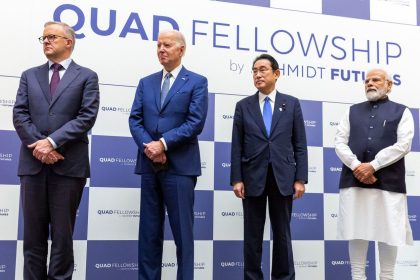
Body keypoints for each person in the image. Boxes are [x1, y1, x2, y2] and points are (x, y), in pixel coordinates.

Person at [12, 21, 100, 280]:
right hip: (32, 166)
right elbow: (20, 114)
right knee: (33, 239)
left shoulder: (87, 76)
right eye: (43, 38)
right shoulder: (29, 75)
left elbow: (86, 116)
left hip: (68, 167)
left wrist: (52, 143)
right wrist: (40, 145)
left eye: (52, 37)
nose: (46, 41)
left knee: (62, 239)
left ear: (68, 42)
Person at [129, 30, 208, 280]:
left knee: (183, 234)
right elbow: (135, 120)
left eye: (167, 45)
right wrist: (150, 147)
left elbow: (195, 122)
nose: (161, 49)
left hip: (180, 167)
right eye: (159, 45)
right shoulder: (146, 82)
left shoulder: (197, 81)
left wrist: (162, 144)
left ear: (181, 50)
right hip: (149, 165)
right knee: (149, 234)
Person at [230, 53, 308, 280]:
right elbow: (237, 146)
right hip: (252, 177)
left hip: (283, 177)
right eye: (254, 70)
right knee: (252, 236)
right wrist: (237, 178)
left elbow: (300, 145)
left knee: (282, 235)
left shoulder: (291, 104)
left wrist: (300, 179)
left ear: (276, 73)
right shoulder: (243, 106)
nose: (257, 74)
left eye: (263, 69)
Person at [335, 69, 414, 280]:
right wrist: (357, 166)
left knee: (388, 232)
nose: (370, 83)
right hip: (354, 180)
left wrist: (373, 166)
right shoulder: (351, 111)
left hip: (389, 183)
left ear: (389, 85)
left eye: (375, 80)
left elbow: (404, 145)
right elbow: (339, 142)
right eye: (367, 81)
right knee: (356, 230)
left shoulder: (402, 112)